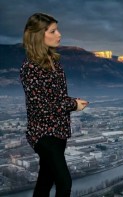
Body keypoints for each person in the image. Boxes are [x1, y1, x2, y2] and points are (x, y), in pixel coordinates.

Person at [20, 13, 88, 197]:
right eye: (53, 31)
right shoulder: (31, 67)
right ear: (39, 35)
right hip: (43, 133)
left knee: (45, 181)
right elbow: (42, 105)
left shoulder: (53, 62)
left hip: (59, 131)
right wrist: (73, 105)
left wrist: (73, 101)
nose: (59, 34)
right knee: (64, 182)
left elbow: (55, 96)